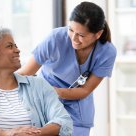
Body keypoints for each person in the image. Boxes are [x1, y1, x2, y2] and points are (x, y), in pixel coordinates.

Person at [18, 1, 117, 136]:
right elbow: (25, 72)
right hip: (44, 105)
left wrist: (51, 91)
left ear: (98, 34)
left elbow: (85, 90)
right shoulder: (55, 38)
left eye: (81, 35)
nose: (74, 38)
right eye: (71, 30)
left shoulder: (107, 52)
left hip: (76, 110)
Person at [0, 27, 73, 136]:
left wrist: (34, 133)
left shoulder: (39, 85)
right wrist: (6, 133)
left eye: (15, 46)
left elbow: (64, 121)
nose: (17, 50)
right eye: (10, 46)